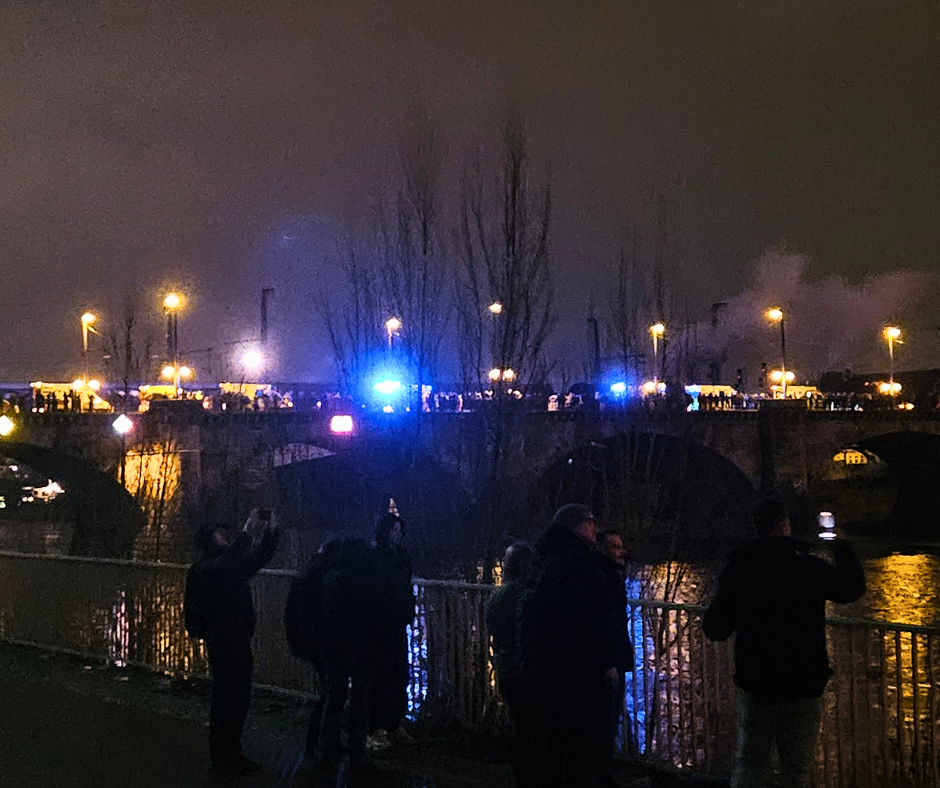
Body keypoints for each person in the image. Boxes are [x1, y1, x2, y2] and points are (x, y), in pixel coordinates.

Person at [702, 499, 865, 788]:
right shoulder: (808, 566)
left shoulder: (739, 570)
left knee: (750, 764)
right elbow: (851, 588)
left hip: (758, 684)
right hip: (804, 684)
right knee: (796, 771)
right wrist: (840, 544)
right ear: (785, 527)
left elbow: (715, 629)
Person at [520, 503, 620, 788]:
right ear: (578, 527)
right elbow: (595, 617)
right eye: (590, 523)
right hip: (580, 669)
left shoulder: (544, 560)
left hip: (550, 666)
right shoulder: (583, 563)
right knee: (582, 743)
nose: (595, 529)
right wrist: (607, 662)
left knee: (554, 740)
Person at [185, 508, 280, 779]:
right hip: (223, 642)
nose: (225, 538)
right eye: (220, 535)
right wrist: (248, 533)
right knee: (227, 700)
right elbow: (230, 564)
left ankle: (232, 753)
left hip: (238, 640)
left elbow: (255, 559)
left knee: (238, 699)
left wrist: (271, 533)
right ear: (209, 540)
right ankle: (222, 759)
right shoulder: (207, 569)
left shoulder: (224, 566)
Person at [316, 536, 383, 774]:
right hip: (361, 649)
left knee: (334, 699)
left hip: (335, 649)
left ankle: (328, 750)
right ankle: (357, 752)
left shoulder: (333, 579)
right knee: (359, 701)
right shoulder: (367, 582)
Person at [486, 541, 538, 788]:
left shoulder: (498, 596)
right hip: (525, 668)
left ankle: (522, 778)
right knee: (534, 729)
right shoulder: (526, 595)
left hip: (506, 667)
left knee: (521, 728)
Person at [368, 512, 416, 747]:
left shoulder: (401, 557)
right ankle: (375, 728)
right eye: (394, 531)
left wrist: (408, 612)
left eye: (399, 532)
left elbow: (405, 587)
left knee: (399, 675)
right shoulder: (378, 558)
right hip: (381, 627)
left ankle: (393, 724)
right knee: (381, 677)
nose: (397, 536)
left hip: (397, 624)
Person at [597, 529, 635, 775]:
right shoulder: (605, 580)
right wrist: (610, 661)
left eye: (621, 547)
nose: (620, 552)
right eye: (614, 547)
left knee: (609, 719)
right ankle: (603, 773)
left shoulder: (611, 577)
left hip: (614, 658)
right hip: (609, 662)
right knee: (606, 720)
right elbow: (606, 623)